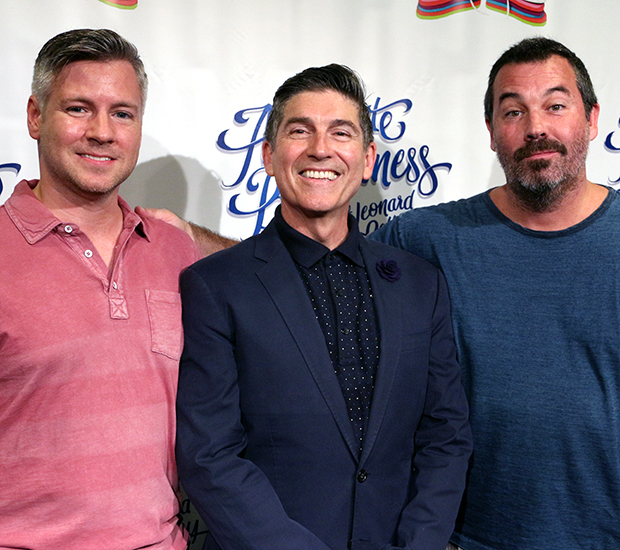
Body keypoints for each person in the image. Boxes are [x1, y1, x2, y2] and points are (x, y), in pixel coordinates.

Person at [175, 64, 473, 550]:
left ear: (368, 158)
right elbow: (210, 456)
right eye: (300, 131)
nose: (320, 149)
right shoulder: (215, 286)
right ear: (269, 156)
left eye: (341, 132)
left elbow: (446, 436)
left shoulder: (421, 284)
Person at [371, 37, 620, 549]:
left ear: (592, 119)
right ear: (490, 132)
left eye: (556, 105)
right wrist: (189, 241)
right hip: (470, 538)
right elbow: (310, 283)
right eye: (513, 111)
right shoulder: (427, 238)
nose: (536, 128)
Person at [0, 28, 227, 549]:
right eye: (79, 108)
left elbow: (269, 273)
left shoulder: (172, 249)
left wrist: (190, 233)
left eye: (122, 113)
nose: (102, 131)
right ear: (36, 117)